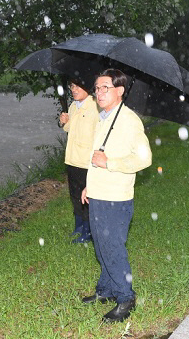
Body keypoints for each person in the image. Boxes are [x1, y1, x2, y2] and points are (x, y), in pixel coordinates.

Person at [80, 68, 152, 323]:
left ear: (120, 91)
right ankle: (107, 290)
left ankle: (125, 297)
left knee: (112, 248)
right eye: (97, 88)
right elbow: (95, 160)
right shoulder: (104, 118)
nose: (99, 92)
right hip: (100, 194)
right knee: (101, 247)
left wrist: (109, 163)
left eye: (105, 88)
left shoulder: (129, 121)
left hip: (116, 199)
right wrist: (91, 185)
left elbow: (144, 159)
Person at [59, 80, 99, 243]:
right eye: (72, 87)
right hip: (72, 159)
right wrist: (64, 121)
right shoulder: (74, 105)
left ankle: (88, 232)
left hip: (86, 162)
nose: (74, 90)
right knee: (75, 195)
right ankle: (79, 226)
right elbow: (69, 128)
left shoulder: (95, 107)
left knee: (86, 198)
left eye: (77, 86)